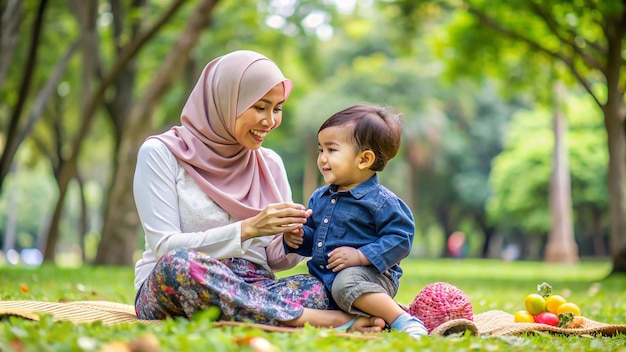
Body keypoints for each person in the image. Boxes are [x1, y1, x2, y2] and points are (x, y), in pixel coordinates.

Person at [132, 50, 385, 333]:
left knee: (318, 285)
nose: (270, 121)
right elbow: (165, 246)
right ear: (226, 101)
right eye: (260, 107)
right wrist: (249, 228)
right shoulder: (161, 153)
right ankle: (317, 320)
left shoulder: (270, 163)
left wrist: (291, 239)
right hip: (180, 282)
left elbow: (275, 261)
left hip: (255, 286)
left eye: (277, 109)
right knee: (178, 265)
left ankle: (258, 314)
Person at [283, 104, 429, 338]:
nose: (322, 159)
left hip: (369, 278)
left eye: (331, 150)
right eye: (321, 150)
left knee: (346, 282)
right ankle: (365, 320)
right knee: (294, 291)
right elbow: (314, 242)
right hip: (323, 278)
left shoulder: (381, 202)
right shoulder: (319, 198)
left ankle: (402, 319)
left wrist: (361, 256)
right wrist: (297, 237)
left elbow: (401, 238)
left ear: (364, 159)